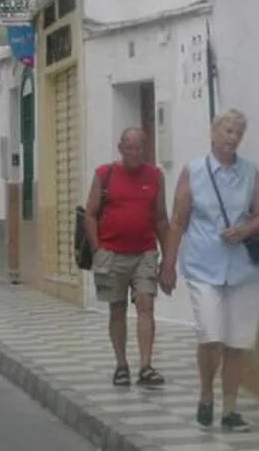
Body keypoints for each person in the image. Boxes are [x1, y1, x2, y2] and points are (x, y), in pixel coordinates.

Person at [162, 108, 259, 433]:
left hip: (242, 269)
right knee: (211, 336)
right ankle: (206, 392)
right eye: (227, 130)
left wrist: (246, 230)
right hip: (202, 264)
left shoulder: (250, 172)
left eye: (238, 132)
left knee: (236, 342)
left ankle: (231, 409)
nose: (232, 137)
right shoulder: (193, 171)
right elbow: (178, 220)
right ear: (212, 133)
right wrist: (167, 264)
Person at [84, 127, 170, 388]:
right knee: (117, 308)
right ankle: (121, 364)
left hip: (144, 251)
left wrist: (168, 258)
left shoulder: (155, 176)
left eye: (138, 148)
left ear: (144, 149)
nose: (134, 153)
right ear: (120, 148)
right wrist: (98, 248)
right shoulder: (105, 174)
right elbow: (90, 213)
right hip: (112, 253)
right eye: (129, 148)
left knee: (146, 304)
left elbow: (160, 217)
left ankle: (146, 365)